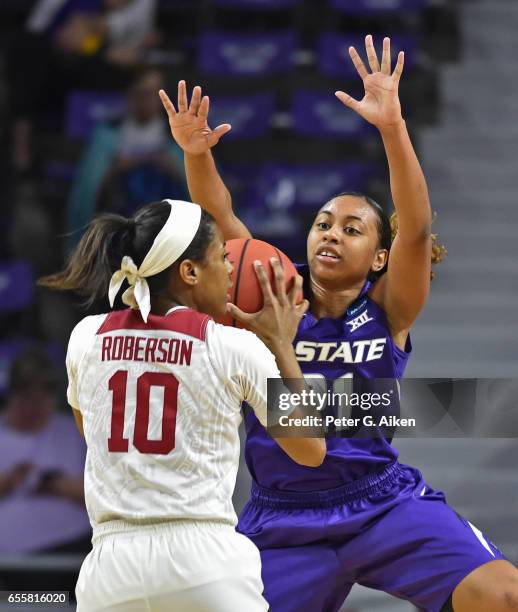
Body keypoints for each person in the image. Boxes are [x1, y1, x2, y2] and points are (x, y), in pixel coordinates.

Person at [159, 36, 518, 612]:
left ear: (380, 256)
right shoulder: (272, 287)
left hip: (381, 503)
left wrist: (393, 128)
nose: (331, 232)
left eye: (352, 229)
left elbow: (418, 230)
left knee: (502, 594)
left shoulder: (388, 307)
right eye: (324, 222)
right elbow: (221, 220)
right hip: (283, 512)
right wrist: (197, 154)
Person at [39, 198, 325, 611]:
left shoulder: (85, 337)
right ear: (189, 272)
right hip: (203, 562)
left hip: (111, 569)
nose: (230, 269)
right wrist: (280, 344)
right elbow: (311, 449)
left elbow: (94, 434)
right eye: (221, 258)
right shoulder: (231, 345)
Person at [67, 67, 187, 250]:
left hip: (166, 232)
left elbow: (200, 188)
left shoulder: (177, 137)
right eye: (139, 93)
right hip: (117, 230)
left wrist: (173, 170)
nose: (144, 100)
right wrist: (116, 169)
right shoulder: (106, 136)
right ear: (129, 95)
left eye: (152, 94)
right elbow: (88, 193)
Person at [0, 348, 90, 555]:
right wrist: (7, 482)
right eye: (26, 397)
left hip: (70, 546)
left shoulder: (75, 431)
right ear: (12, 395)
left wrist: (57, 484)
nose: (34, 408)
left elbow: (106, 494)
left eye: (42, 398)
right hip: (9, 560)